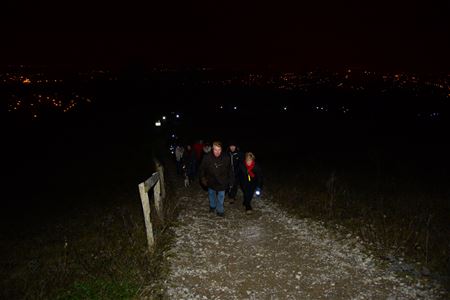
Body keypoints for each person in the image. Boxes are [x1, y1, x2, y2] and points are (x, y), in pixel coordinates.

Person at [199, 141, 233, 217]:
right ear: (212, 149)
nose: (217, 152)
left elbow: (230, 170)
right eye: (215, 149)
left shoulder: (226, 157)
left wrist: (231, 181)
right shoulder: (207, 157)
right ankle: (212, 206)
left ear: (221, 149)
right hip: (211, 179)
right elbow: (202, 169)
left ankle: (220, 210)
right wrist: (202, 178)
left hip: (222, 180)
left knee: (221, 196)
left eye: (219, 150)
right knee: (211, 193)